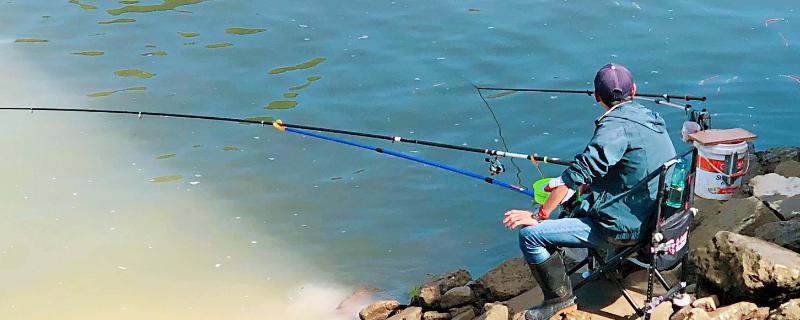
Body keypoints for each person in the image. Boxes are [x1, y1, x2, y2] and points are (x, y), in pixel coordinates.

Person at [502, 63, 677, 320]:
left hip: (628, 229)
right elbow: (625, 165)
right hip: (661, 216)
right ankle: (615, 265)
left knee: (530, 236)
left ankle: (558, 300)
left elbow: (577, 173)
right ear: (635, 90)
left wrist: (539, 215)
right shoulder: (650, 118)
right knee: (583, 195)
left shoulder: (613, 129)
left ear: (597, 97)